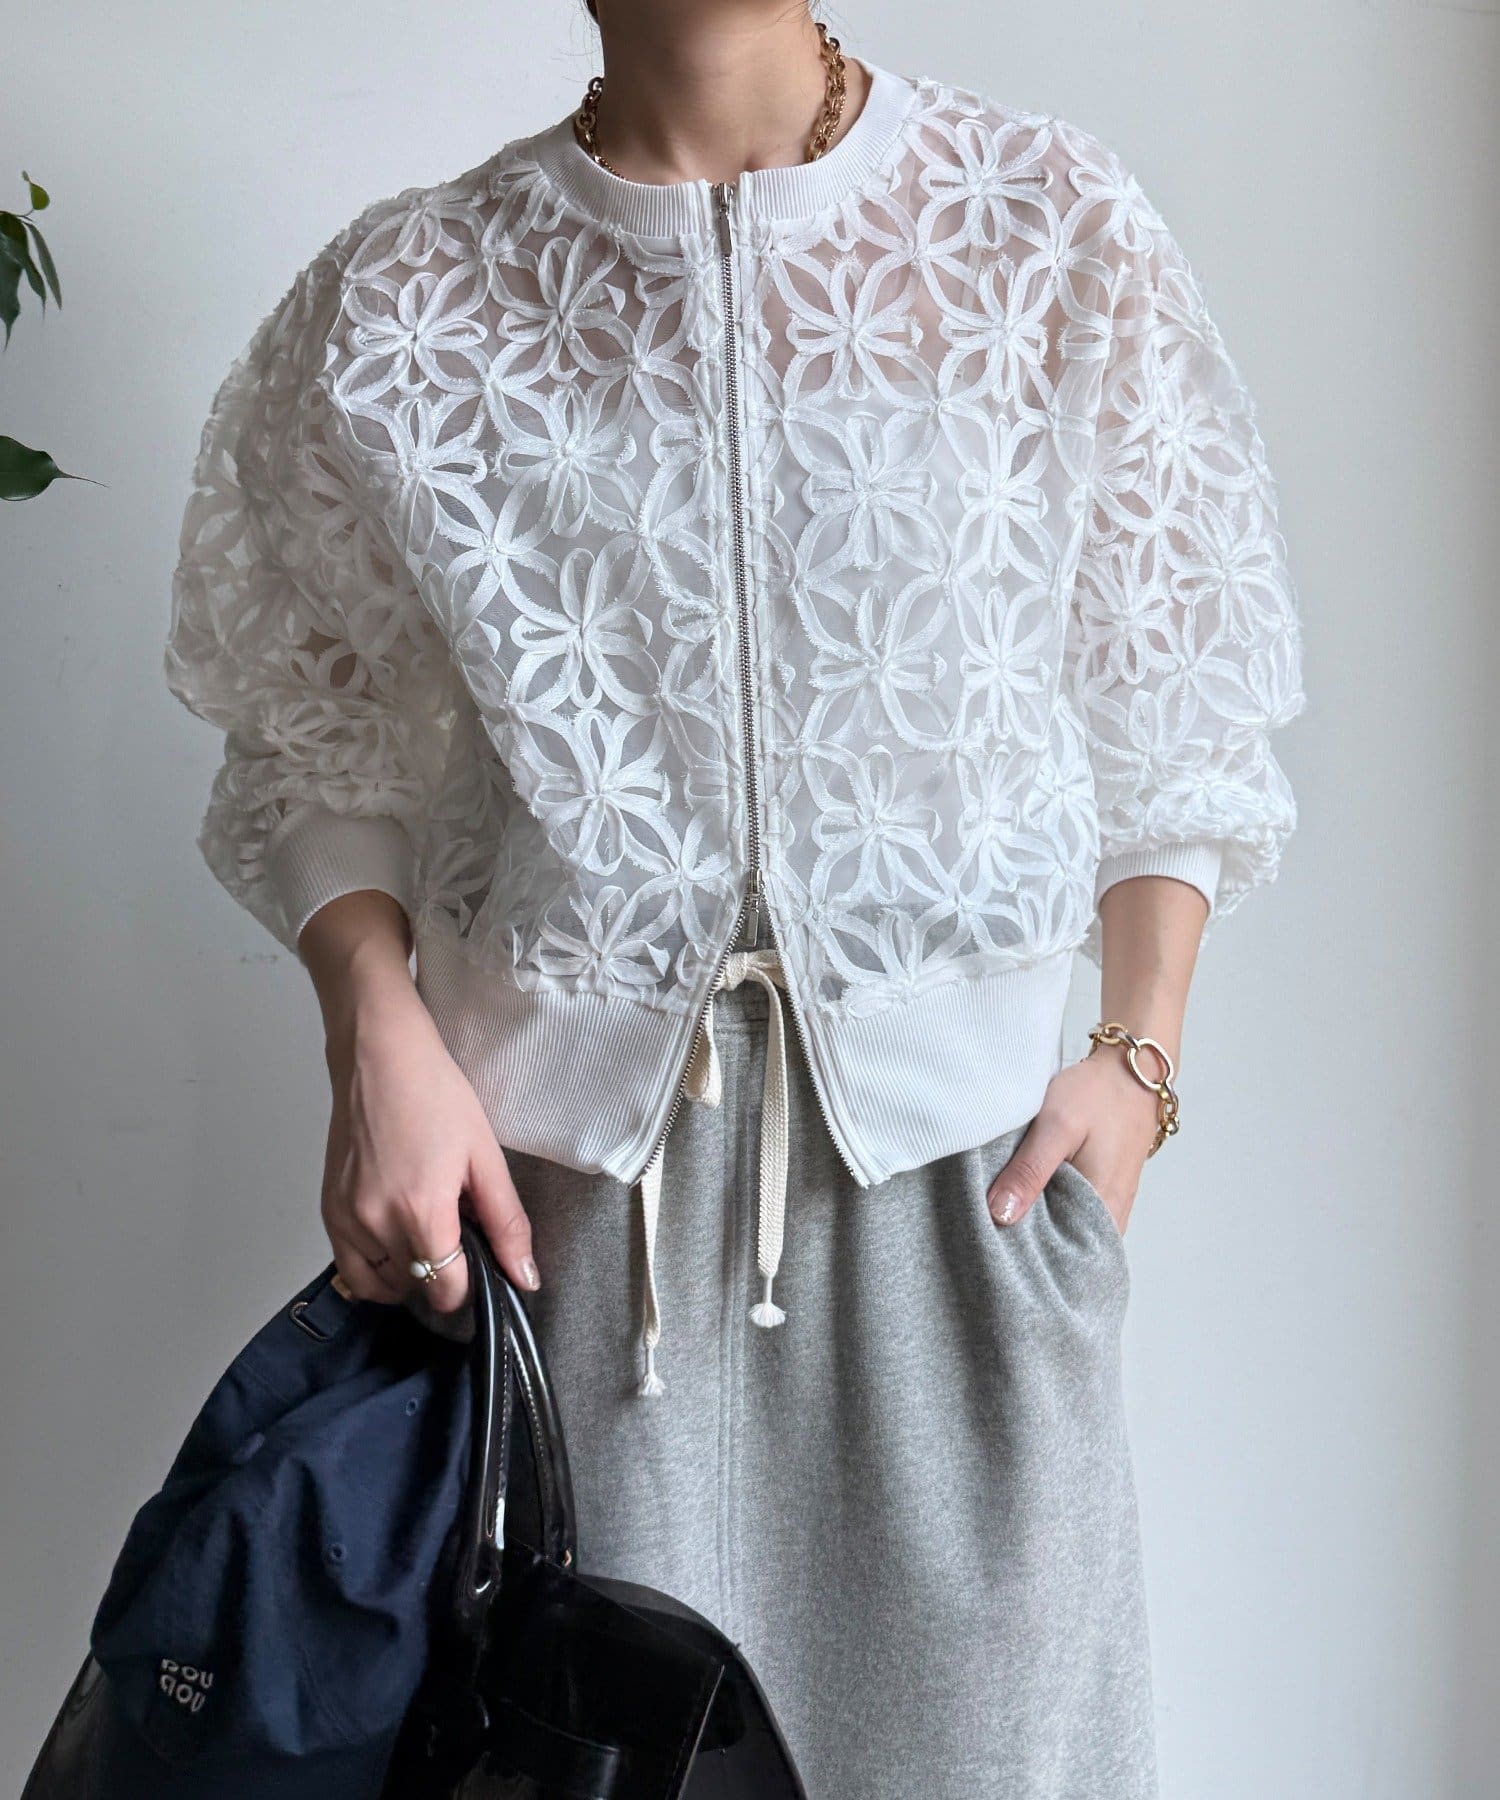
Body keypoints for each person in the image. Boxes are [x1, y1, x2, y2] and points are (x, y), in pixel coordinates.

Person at [162, 3, 1305, 1793]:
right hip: (566, 1242)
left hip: (966, 1210)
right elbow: (310, 736)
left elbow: (1183, 693)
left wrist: (1139, 1058)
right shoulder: (408, 301)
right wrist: (371, 1035)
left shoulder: (1043, 224)